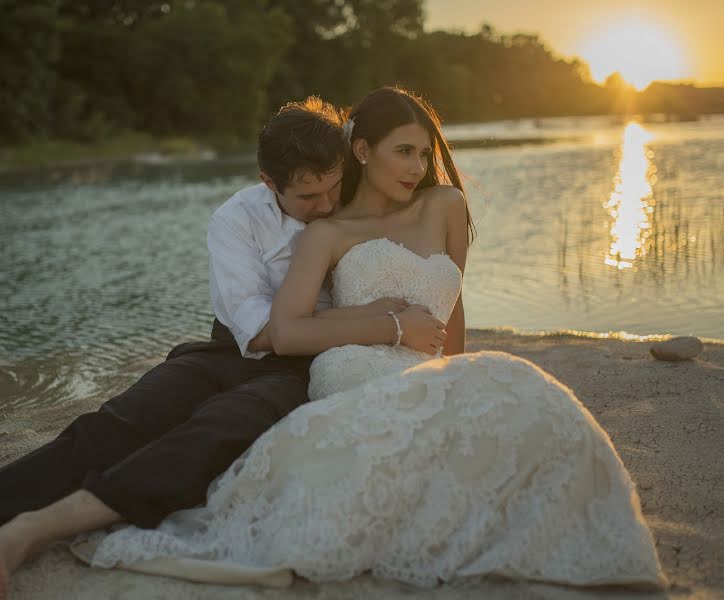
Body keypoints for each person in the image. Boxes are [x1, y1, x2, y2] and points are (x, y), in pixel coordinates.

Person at [0, 96, 448, 600]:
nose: (322, 208)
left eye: (331, 191)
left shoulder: (357, 203)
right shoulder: (237, 219)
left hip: (309, 367)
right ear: (268, 183)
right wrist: (368, 316)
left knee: (210, 431)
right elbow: (262, 331)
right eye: (306, 198)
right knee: (117, 421)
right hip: (233, 347)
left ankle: (29, 531)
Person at [68, 86, 669, 590]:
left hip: (422, 366)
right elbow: (284, 327)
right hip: (344, 368)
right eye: (403, 151)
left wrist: (454, 378)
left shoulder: (446, 206)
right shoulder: (325, 231)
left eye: (423, 153)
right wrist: (390, 325)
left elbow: (453, 309)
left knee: (535, 403)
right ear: (363, 149)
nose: (415, 166)